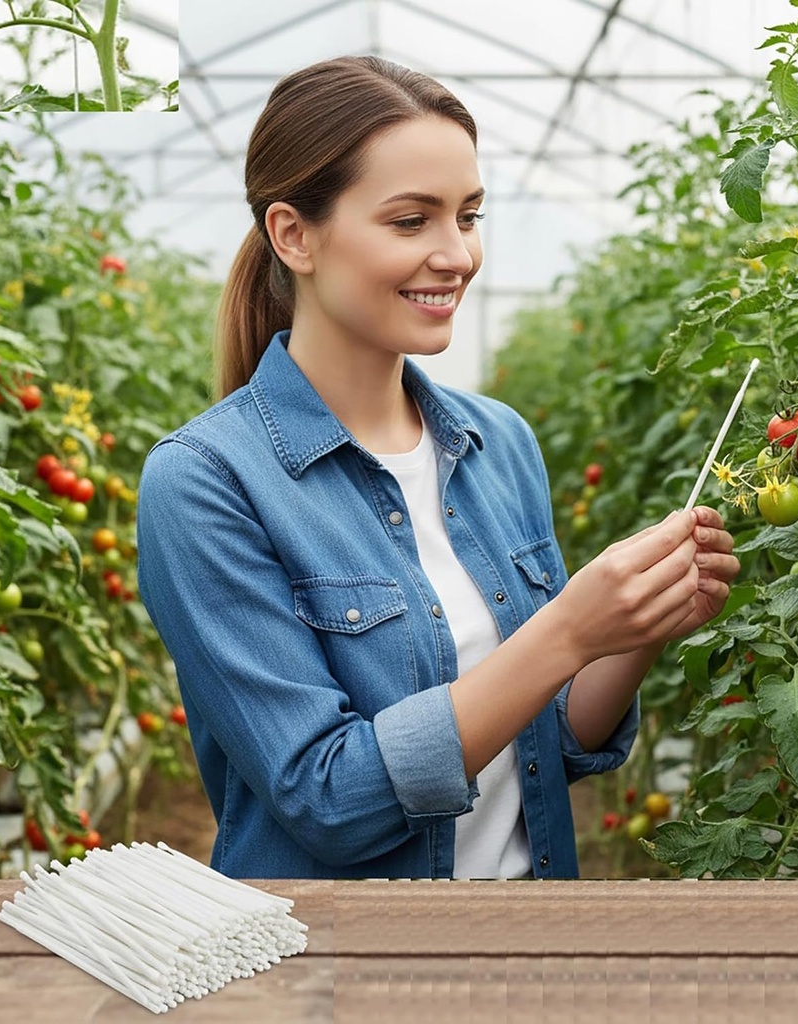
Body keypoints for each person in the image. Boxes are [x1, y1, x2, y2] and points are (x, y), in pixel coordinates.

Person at [135, 55, 740, 881]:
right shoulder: (207, 482)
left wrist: (635, 628)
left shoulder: (498, 442)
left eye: (469, 215)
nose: (457, 255)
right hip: (338, 950)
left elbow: (547, 743)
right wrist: (568, 631)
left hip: (524, 935)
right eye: (411, 221)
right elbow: (327, 796)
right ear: (294, 235)